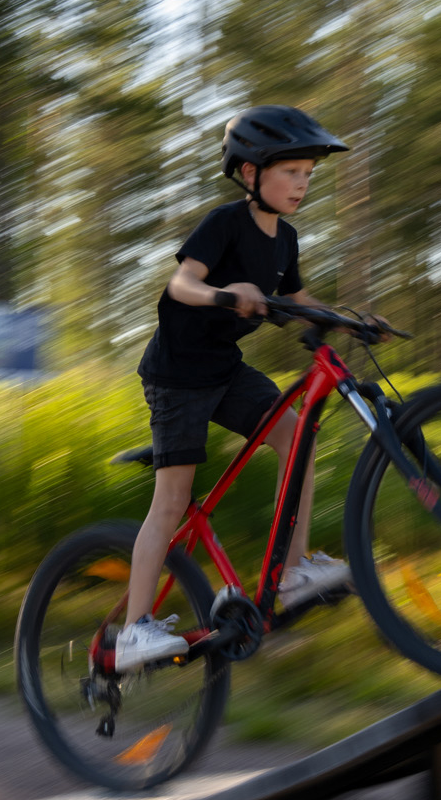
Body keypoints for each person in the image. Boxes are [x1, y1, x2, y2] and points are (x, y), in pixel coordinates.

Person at [116, 104, 367, 671]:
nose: (302, 184)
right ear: (250, 173)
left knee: (296, 435)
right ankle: (133, 631)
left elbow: (299, 301)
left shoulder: (286, 240)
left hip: (225, 370)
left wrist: (350, 321)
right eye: (291, 172)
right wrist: (229, 295)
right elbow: (181, 285)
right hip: (177, 375)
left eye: (308, 174)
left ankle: (294, 571)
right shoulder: (224, 223)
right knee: (173, 499)